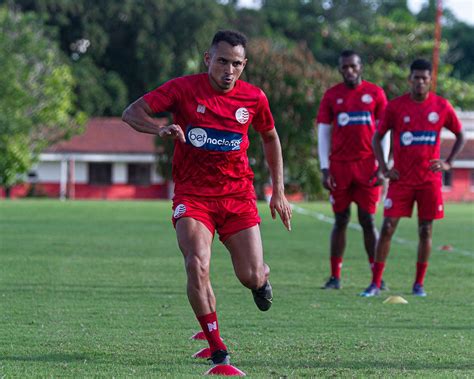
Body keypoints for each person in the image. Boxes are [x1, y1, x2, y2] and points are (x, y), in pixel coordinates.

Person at [122, 30, 292, 370]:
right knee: (196, 263)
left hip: (237, 195)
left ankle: (261, 276)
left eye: (237, 64)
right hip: (193, 196)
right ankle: (218, 350)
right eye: (223, 61)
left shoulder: (254, 98)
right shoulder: (183, 89)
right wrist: (159, 128)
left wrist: (279, 190)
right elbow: (132, 112)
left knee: (249, 276)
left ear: (244, 65)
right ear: (208, 59)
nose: (229, 70)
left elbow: (270, 136)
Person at [360, 58, 465, 297]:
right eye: (416, 78)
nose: (420, 82)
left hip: (429, 180)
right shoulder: (396, 107)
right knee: (387, 227)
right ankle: (375, 283)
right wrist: (385, 167)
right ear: (410, 79)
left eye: (424, 79)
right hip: (401, 179)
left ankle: (418, 284)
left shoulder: (441, 106)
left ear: (430, 81)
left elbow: (460, 135)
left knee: (425, 230)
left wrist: (448, 162)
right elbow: (378, 137)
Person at [316, 50, 388, 290]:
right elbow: (324, 133)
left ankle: (376, 276)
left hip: (368, 166)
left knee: (368, 220)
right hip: (340, 168)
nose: (349, 70)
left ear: (361, 67)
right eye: (344, 67)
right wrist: (325, 168)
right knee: (341, 219)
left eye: (353, 66)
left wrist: (382, 165)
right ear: (340, 69)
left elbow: (383, 131)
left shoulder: (375, 94)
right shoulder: (332, 95)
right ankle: (335, 276)